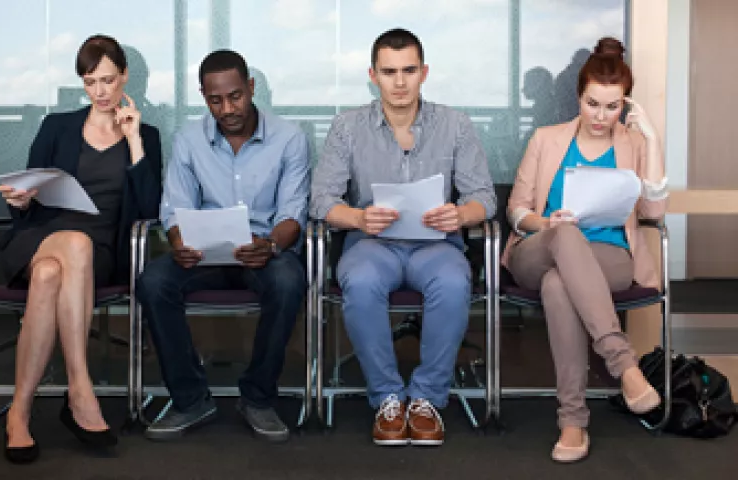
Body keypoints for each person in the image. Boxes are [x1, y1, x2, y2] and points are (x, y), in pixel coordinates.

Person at [310, 28, 495, 447]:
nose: (399, 82)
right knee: (360, 281)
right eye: (389, 71)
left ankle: (427, 399)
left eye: (408, 70)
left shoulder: (455, 124)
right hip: (373, 244)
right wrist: (358, 217)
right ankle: (388, 398)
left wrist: (460, 214)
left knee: (452, 282)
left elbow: (483, 196)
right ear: (372, 75)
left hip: (436, 244)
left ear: (424, 72)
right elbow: (321, 199)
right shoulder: (347, 127)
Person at [0, 34, 162, 463]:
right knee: (71, 243)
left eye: (108, 80)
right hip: (42, 236)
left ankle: (19, 412)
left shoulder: (148, 136)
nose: (101, 92)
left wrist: (135, 142)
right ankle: (80, 390)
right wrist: (21, 198)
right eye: (91, 82)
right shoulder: (58, 126)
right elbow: (31, 187)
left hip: (100, 253)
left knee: (51, 274)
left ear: (125, 76)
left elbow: (149, 211)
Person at [503, 37, 667, 463]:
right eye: (593, 103)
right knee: (565, 235)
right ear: (579, 96)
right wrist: (546, 223)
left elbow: (653, 209)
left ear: (624, 105)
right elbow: (516, 210)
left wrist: (653, 143)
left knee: (561, 286)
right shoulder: (546, 139)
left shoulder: (633, 143)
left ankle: (572, 421)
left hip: (608, 257)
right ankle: (623, 364)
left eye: (611, 107)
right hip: (539, 248)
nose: (600, 116)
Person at [135, 50, 310, 443]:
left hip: (264, 250)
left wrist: (270, 244)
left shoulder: (290, 138)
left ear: (250, 88)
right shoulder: (188, 139)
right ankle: (190, 399)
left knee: (287, 283)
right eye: (215, 100)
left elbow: (294, 214)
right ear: (204, 96)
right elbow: (175, 208)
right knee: (153, 282)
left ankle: (258, 397)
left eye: (235, 96)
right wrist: (179, 242)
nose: (227, 108)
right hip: (204, 253)